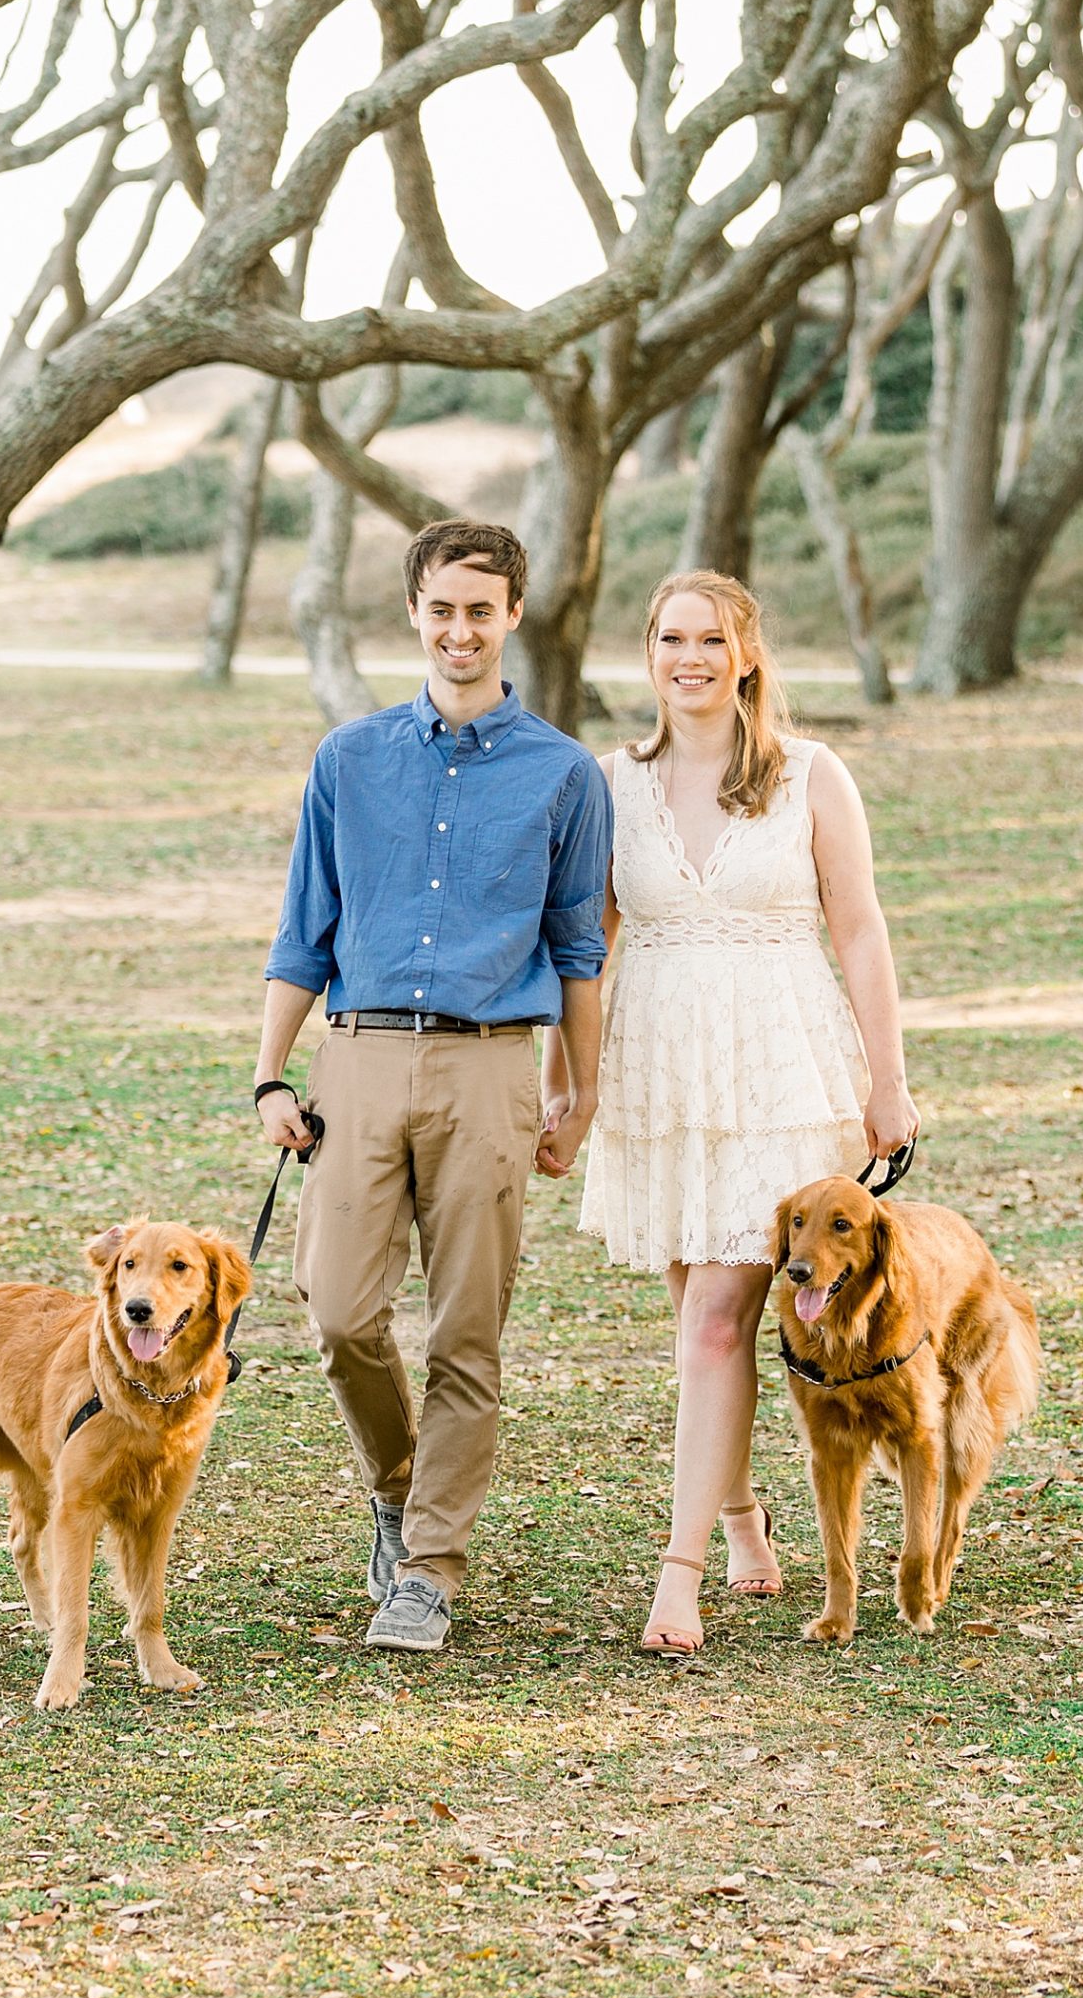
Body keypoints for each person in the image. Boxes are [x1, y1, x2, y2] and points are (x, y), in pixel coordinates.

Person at [254, 519, 613, 1651]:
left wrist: (578, 1095)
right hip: (357, 1058)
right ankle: (397, 1487)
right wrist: (269, 1075)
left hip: (491, 1067)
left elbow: (580, 951)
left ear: (514, 616)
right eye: (442, 609)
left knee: (467, 1335)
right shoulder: (348, 759)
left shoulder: (564, 774)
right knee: (338, 1311)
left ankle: (429, 1570)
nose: (461, 631)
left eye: (481, 611)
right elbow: (303, 929)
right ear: (414, 612)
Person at [568, 569, 919, 1656]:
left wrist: (888, 1079)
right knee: (698, 1319)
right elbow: (591, 942)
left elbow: (859, 929)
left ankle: (676, 1580)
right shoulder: (611, 781)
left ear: (747, 655)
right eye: (671, 638)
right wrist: (569, 1080)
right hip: (661, 1071)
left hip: (780, 1068)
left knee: (719, 1320)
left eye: (712, 639)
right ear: (649, 653)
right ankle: (738, 1517)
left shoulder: (811, 774)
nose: (691, 659)